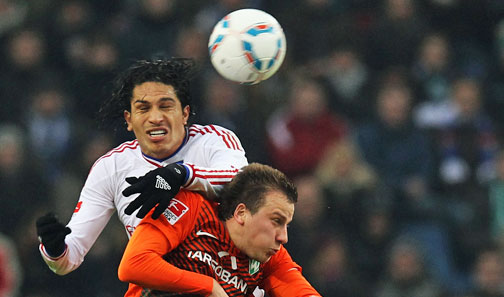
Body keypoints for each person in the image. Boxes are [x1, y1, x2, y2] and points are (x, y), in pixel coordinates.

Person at [35, 58, 249, 276]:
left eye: (165, 106)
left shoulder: (214, 140)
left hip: (227, 282)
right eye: (143, 109)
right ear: (129, 119)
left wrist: (181, 174)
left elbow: (242, 181)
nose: (155, 118)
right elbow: (69, 258)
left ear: (185, 114)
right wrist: (55, 250)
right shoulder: (111, 167)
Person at [118, 163, 321, 297]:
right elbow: (133, 265)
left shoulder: (271, 257)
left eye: (286, 224)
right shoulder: (191, 208)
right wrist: (210, 287)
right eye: (276, 220)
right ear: (241, 213)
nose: (283, 237)